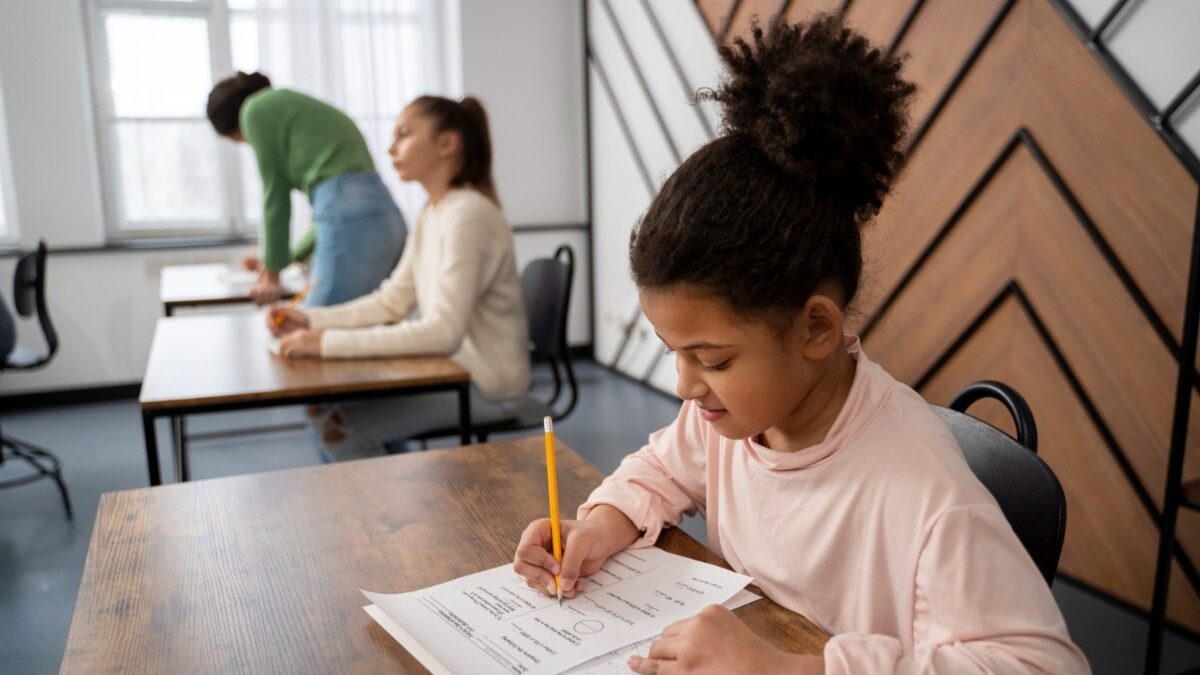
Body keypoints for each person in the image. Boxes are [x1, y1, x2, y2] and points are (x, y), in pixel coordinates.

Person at [512, 16, 1089, 675]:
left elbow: (1043, 665)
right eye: (675, 352)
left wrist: (789, 669)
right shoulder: (729, 420)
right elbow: (663, 468)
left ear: (816, 328)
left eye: (713, 359)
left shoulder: (926, 493)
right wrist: (600, 525)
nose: (685, 385)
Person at [266, 95, 531, 462]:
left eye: (404, 134)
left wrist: (325, 343)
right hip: (453, 370)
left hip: (488, 386)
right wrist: (312, 319)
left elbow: (443, 331)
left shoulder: (469, 215)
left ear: (446, 143)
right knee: (323, 411)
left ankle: (383, 516)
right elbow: (391, 300)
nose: (391, 147)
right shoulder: (434, 212)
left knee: (338, 427)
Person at [206, 72, 405, 307]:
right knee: (363, 325)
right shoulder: (296, 108)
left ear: (234, 128)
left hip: (351, 222)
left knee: (304, 325)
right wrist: (283, 259)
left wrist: (272, 274)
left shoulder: (254, 109)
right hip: (387, 221)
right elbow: (331, 216)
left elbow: (275, 196)